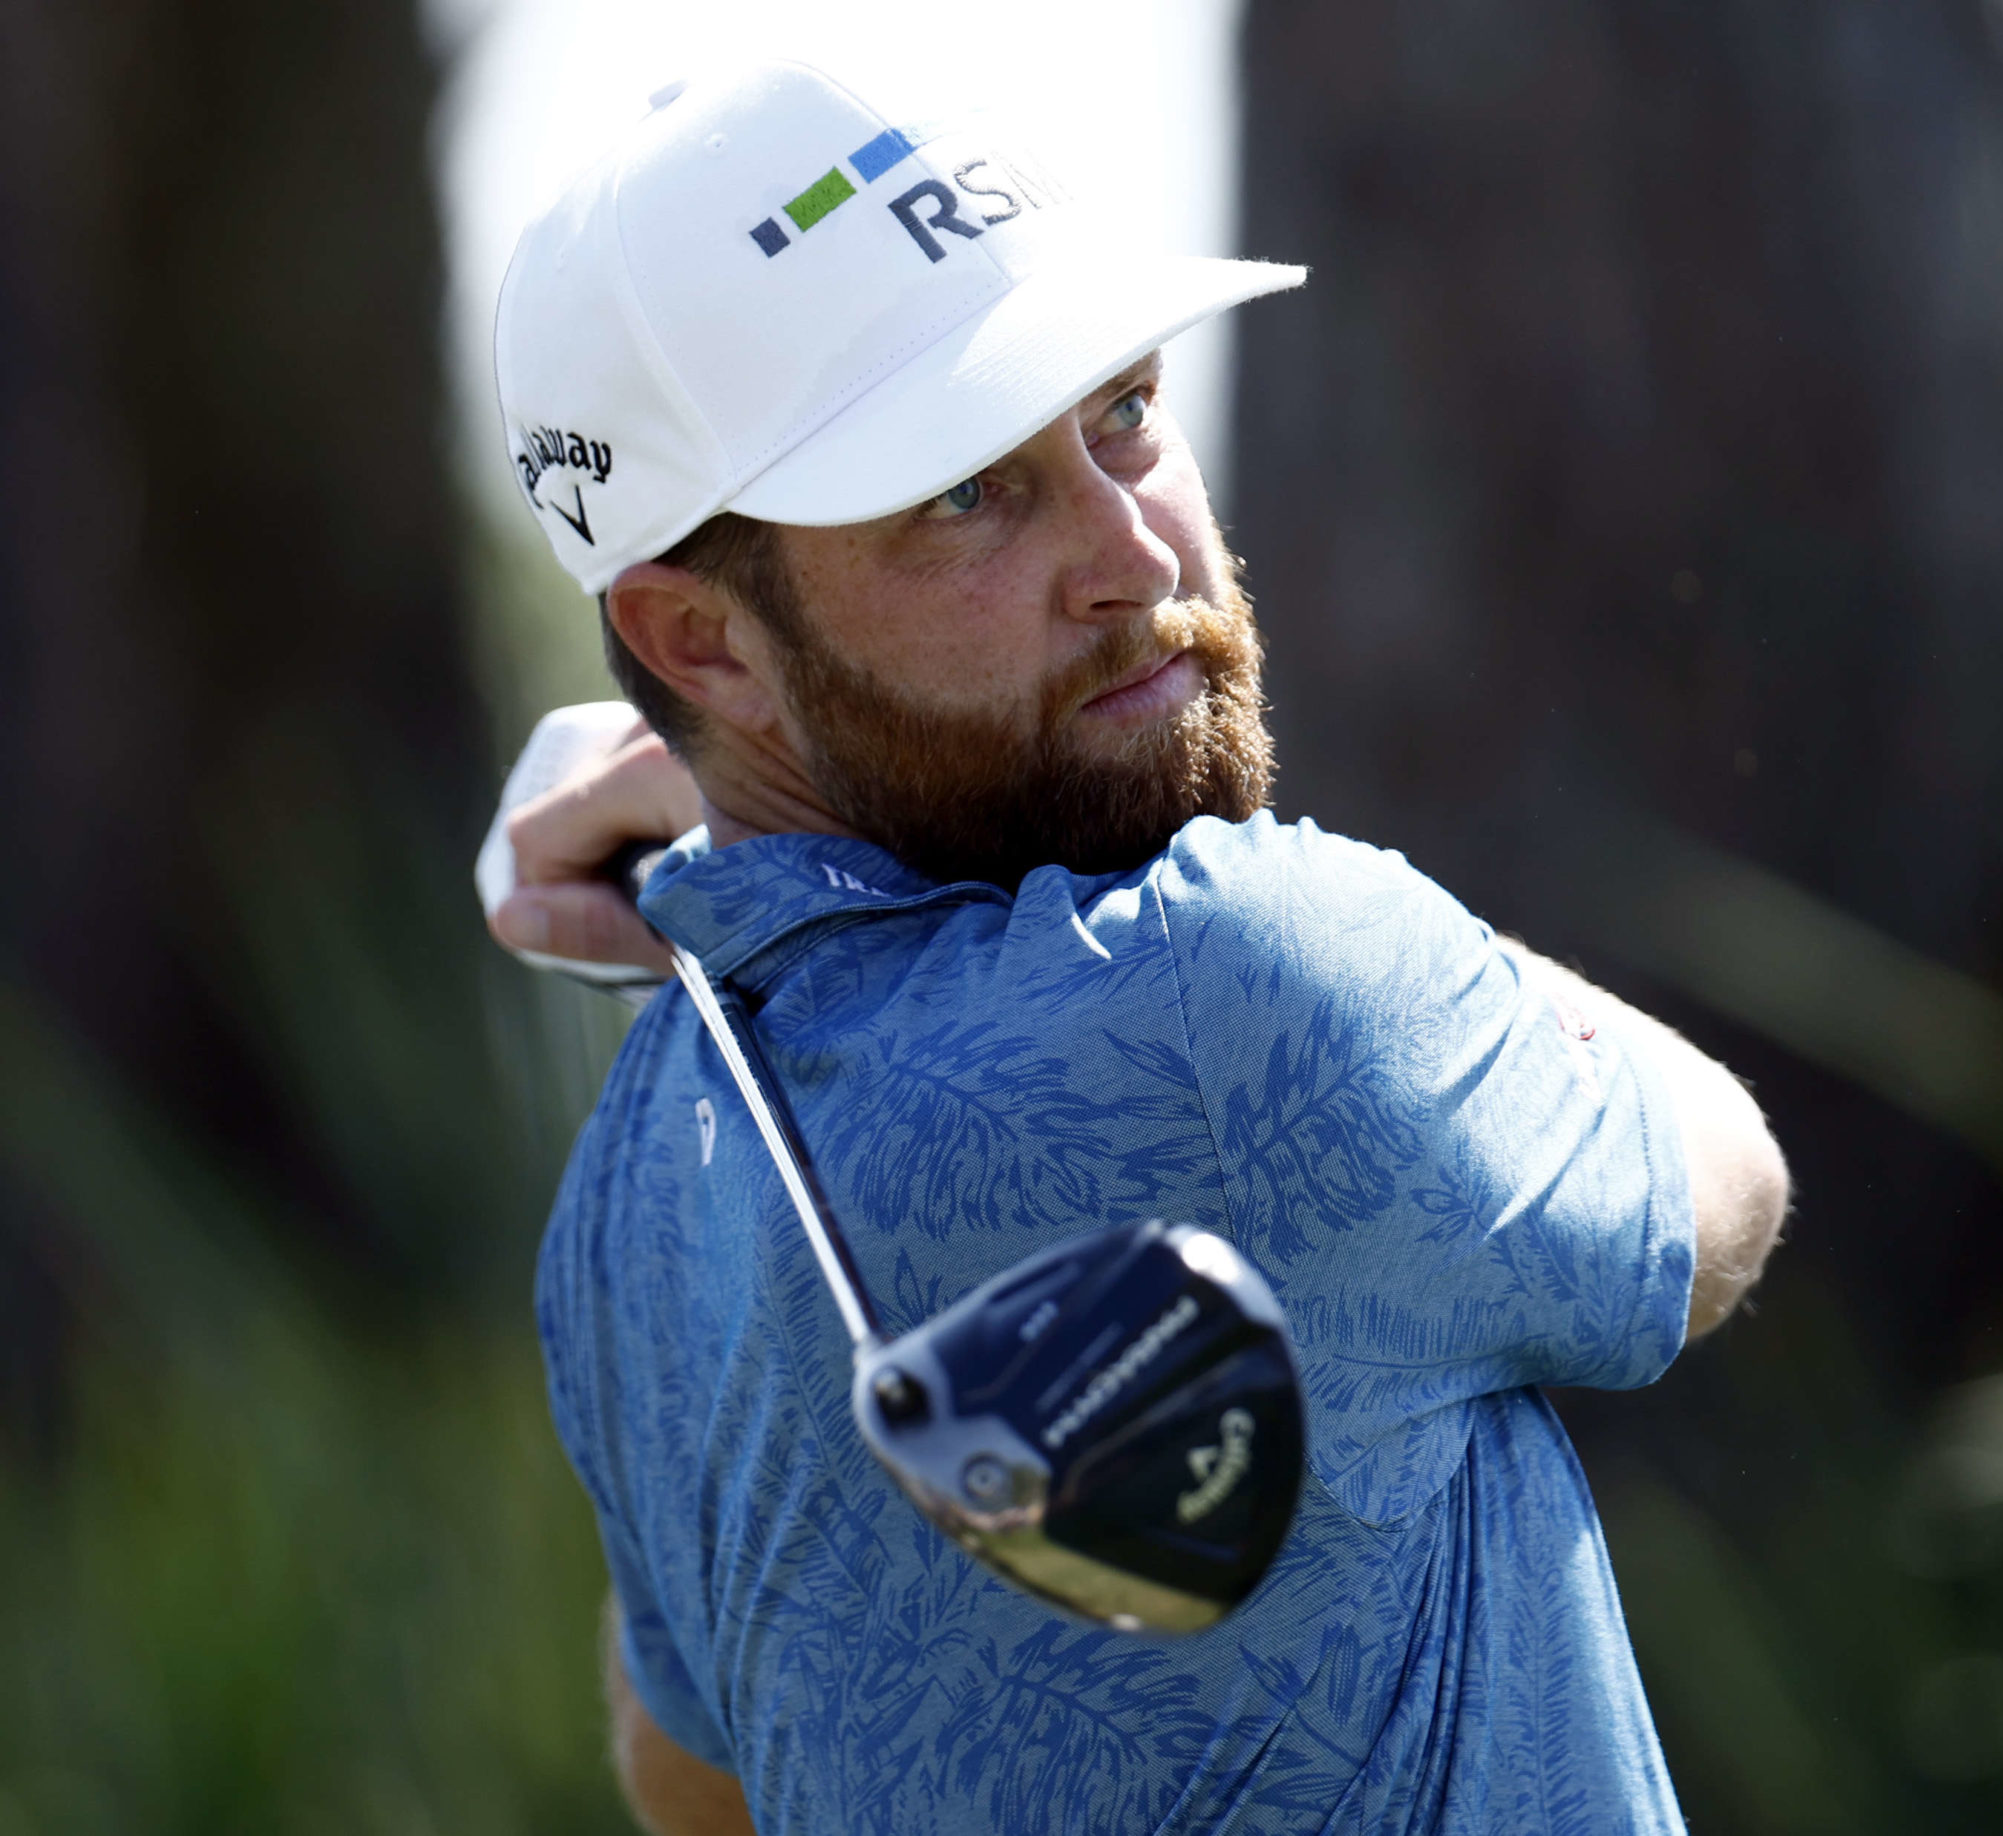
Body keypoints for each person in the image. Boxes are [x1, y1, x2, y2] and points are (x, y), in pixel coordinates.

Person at [489, 55, 1790, 1836]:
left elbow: (691, 1779)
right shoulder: (1234, 981)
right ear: (699, 643)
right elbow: (1723, 1180)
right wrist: (1392, 937)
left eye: (1123, 407)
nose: (1128, 550)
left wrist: (716, 823)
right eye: (963, 493)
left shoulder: (638, 1178)